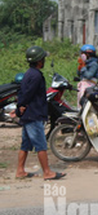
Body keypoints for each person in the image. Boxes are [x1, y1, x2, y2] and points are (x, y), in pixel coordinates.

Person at [15, 46, 66, 180]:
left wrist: (20, 105)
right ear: (39, 61)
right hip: (34, 114)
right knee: (41, 145)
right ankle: (47, 172)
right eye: (43, 59)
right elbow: (28, 94)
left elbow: (23, 92)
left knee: (25, 145)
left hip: (28, 115)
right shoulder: (37, 76)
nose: (44, 61)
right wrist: (21, 104)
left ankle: (20, 171)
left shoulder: (28, 73)